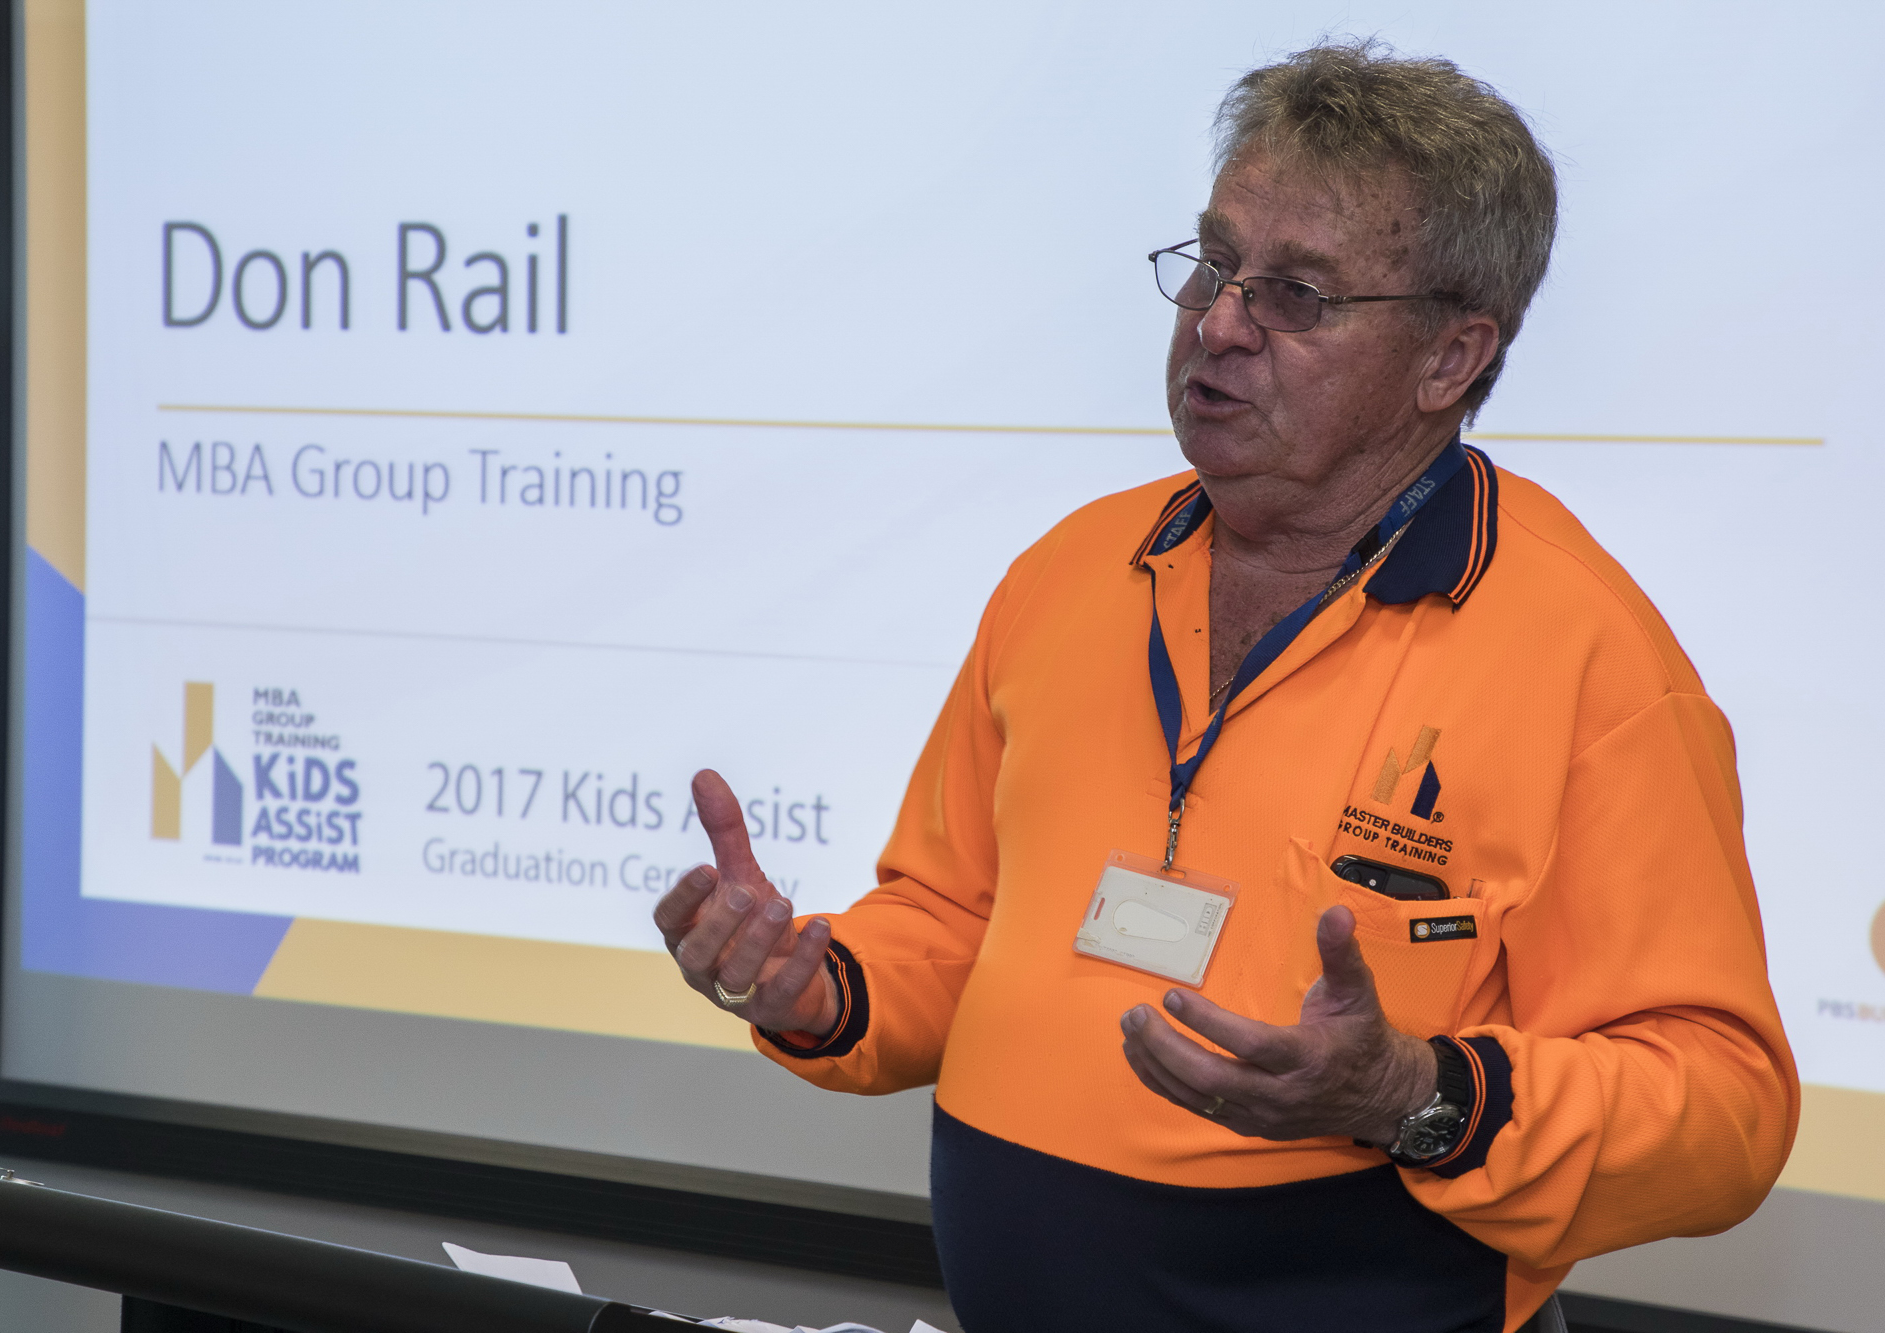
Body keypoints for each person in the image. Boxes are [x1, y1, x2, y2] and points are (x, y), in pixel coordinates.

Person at [652, 40, 1797, 1333]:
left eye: (1296, 295)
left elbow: (1726, 1105)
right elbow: (954, 917)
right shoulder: (1068, 573)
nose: (1218, 323)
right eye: (1212, 263)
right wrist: (823, 987)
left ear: (1450, 357)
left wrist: (1411, 1094)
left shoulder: (1591, 660)